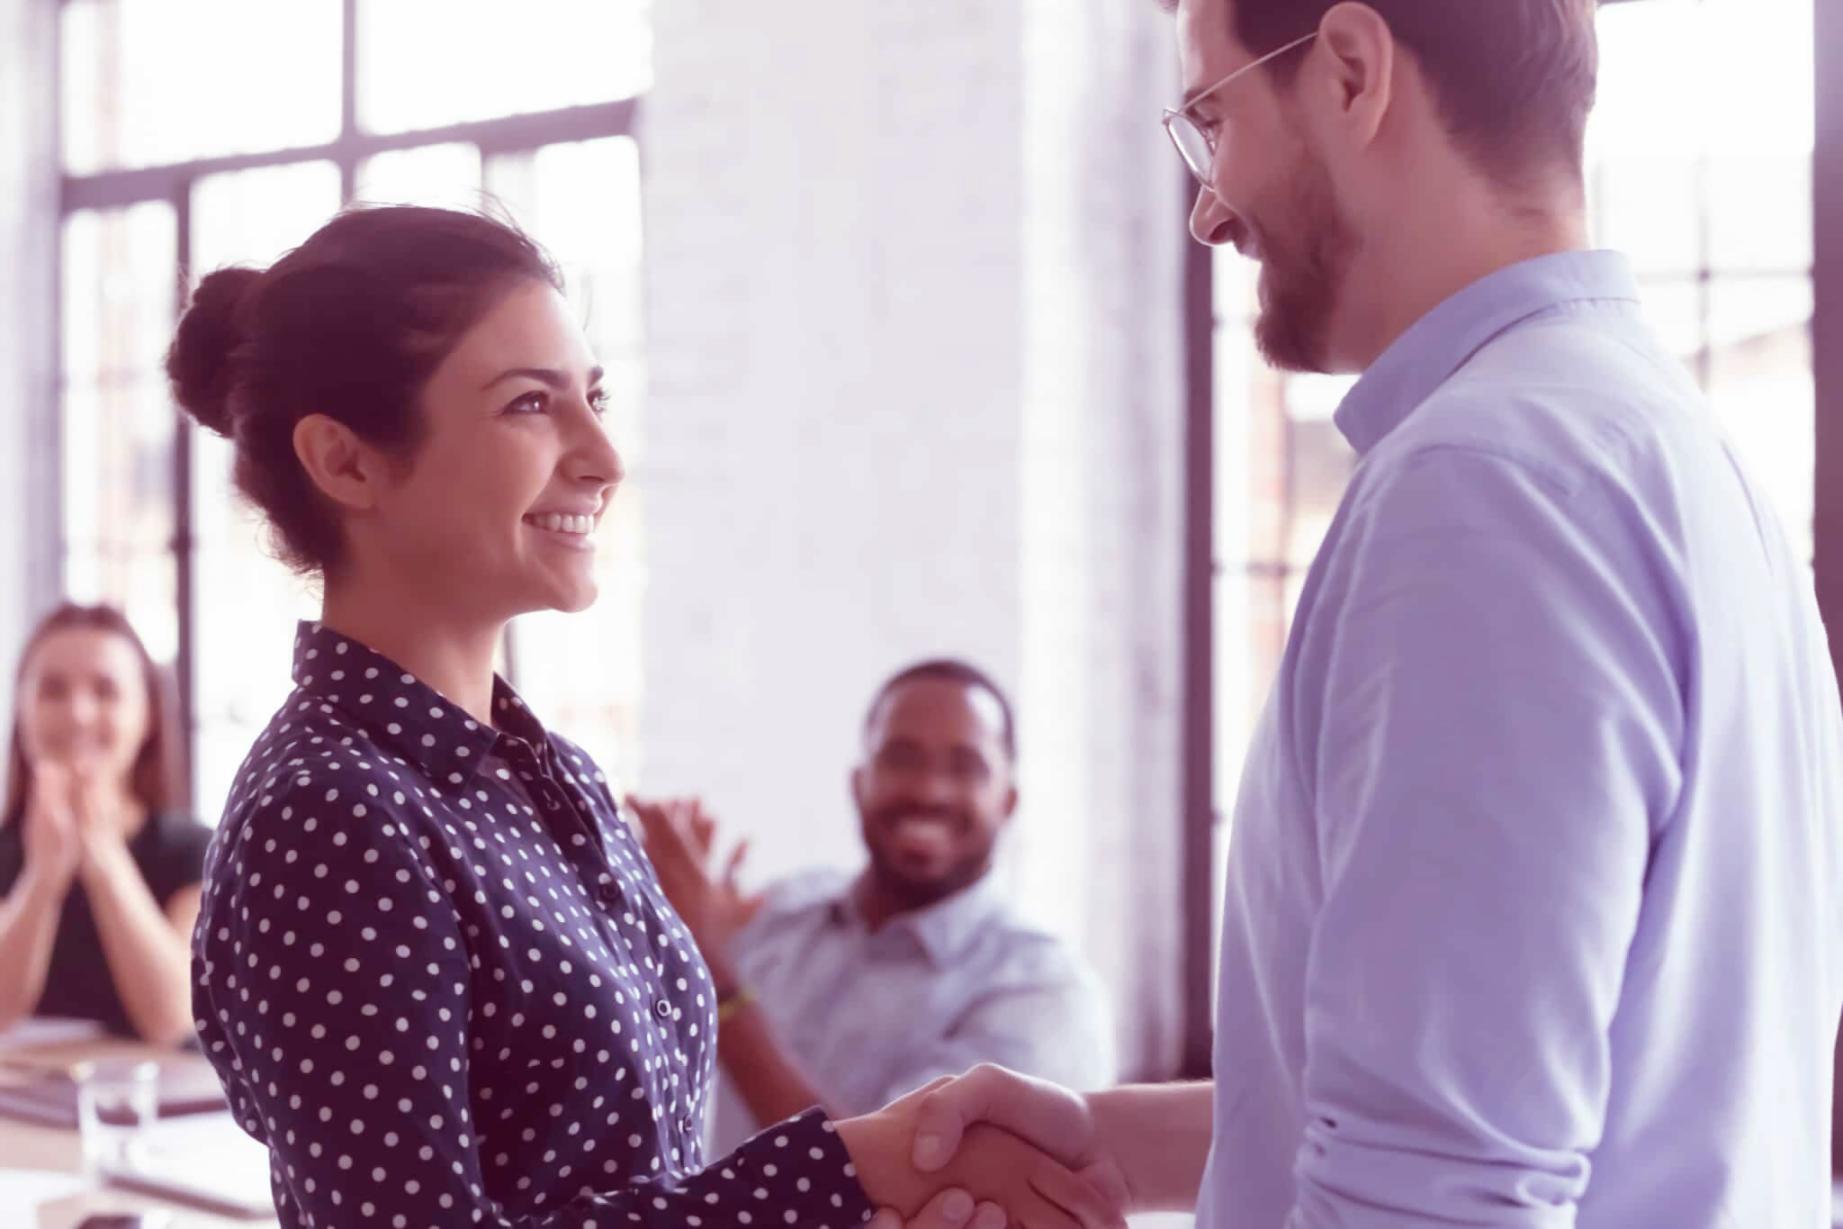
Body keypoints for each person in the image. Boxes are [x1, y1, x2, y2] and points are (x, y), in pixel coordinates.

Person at [882, 1, 1843, 1227]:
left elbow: (1441, 1197)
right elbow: (1537, 1090)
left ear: (1348, 70)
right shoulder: (1677, 451)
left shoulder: (1485, 487)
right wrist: (1116, 1136)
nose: (1207, 208)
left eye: (1211, 119)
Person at [174, 204, 1125, 1229]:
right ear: (346, 461)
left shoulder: (553, 776)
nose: (602, 454)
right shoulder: (331, 814)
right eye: (530, 404)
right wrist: (834, 1173)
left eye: (594, 396)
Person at [631, 659, 1113, 1154]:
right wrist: (656, 931)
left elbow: (883, 1184)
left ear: (1008, 801)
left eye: (965, 767)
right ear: (859, 783)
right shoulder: (780, 913)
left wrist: (715, 972)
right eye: (902, 758)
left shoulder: (1044, 993)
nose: (929, 790)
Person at [0, 602, 206, 1046]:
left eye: (106, 690)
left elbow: (175, 1019)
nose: (78, 713)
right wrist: (42, 878)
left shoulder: (195, 851)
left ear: (147, 714)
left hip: (153, 1109)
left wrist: (105, 858)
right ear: (22, 709)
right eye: (52, 691)